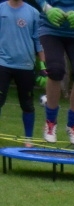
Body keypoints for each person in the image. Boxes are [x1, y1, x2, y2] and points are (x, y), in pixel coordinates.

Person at [37, 0, 74, 145]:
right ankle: (50, 122)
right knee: (55, 70)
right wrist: (47, 8)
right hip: (51, 29)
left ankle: (73, 124)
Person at [0, 0, 45, 146]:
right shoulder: (1, 9)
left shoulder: (33, 13)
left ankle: (28, 139)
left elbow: (38, 40)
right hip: (3, 63)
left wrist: (43, 65)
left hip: (25, 65)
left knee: (27, 104)